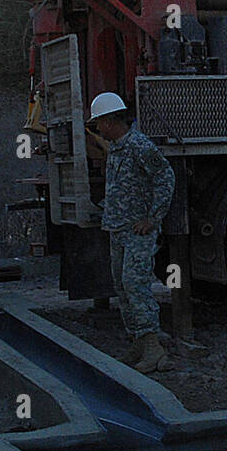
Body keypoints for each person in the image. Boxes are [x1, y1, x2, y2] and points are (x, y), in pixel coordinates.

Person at [88, 91, 175, 374]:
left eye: (98, 122)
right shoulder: (117, 148)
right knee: (122, 286)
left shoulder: (139, 146)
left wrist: (153, 217)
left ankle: (153, 345)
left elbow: (165, 177)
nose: (97, 128)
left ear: (110, 121)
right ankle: (139, 341)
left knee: (135, 284)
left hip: (137, 230)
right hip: (118, 228)